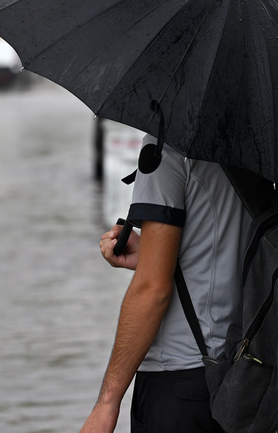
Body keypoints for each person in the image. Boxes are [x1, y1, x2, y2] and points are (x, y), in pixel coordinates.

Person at [80, 136, 253, 433]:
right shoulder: (257, 149)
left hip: (179, 384)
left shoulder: (166, 148)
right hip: (246, 374)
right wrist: (151, 255)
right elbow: (233, 252)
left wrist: (106, 404)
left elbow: (153, 290)